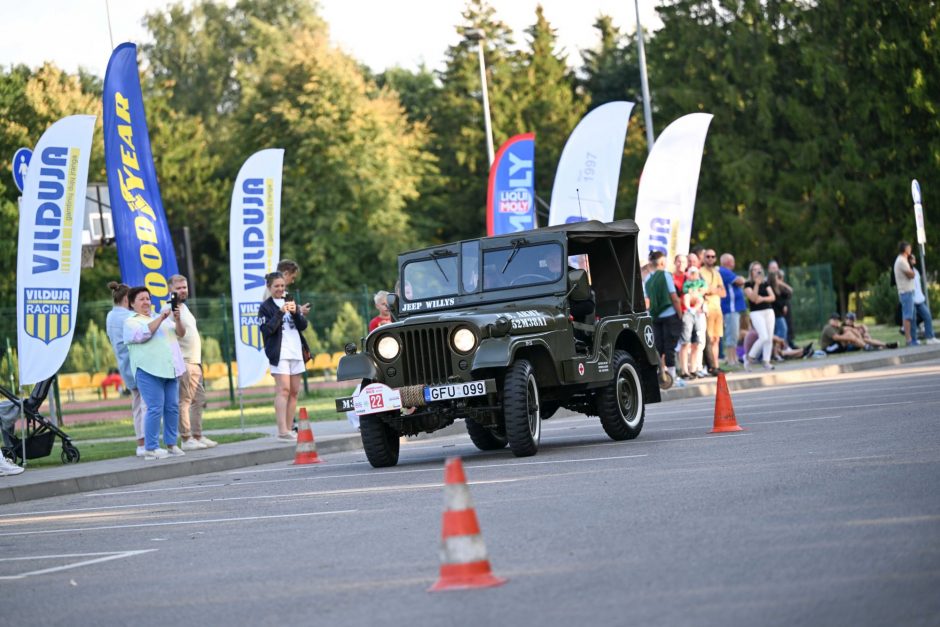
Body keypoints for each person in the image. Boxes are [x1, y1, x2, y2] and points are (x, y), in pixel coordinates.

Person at [124, 286, 187, 460]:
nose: (146, 302)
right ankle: (150, 448)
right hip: (148, 371)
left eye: (148, 298)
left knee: (172, 408)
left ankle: (171, 444)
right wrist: (161, 317)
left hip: (169, 369)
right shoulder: (131, 321)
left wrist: (178, 320)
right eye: (141, 299)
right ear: (132, 304)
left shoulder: (162, 319)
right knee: (154, 408)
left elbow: (181, 333)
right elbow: (144, 334)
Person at [259, 271, 312, 441]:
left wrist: (296, 312)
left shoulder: (290, 301)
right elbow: (267, 330)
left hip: (296, 351)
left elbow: (303, 326)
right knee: (283, 390)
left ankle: (289, 429)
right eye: (277, 286)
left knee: (295, 391)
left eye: (282, 286)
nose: (280, 289)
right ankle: (282, 430)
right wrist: (280, 312)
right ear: (269, 287)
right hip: (279, 353)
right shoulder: (265, 307)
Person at [169, 275, 217, 451]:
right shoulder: (169, 310)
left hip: (195, 361)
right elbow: (172, 336)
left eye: (184, 287)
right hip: (185, 361)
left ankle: (198, 435)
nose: (183, 290)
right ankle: (186, 437)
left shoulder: (184, 307)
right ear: (170, 290)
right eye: (178, 288)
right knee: (186, 401)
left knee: (199, 400)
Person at [105, 281, 146, 457]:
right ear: (126, 300)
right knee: (146, 405)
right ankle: (147, 442)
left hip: (124, 365)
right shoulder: (128, 318)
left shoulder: (110, 316)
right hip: (137, 364)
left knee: (137, 405)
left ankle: (141, 442)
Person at [644, 251, 686, 388]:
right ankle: (672, 377)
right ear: (662, 262)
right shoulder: (665, 275)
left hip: (655, 317)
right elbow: (674, 297)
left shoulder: (648, 279)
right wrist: (679, 314)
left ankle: (661, 376)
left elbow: (647, 301)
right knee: (670, 346)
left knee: (658, 347)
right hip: (669, 315)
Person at [744, 261, 776, 371]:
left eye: (759, 269)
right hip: (756, 312)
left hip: (768, 310)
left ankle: (766, 360)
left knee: (769, 338)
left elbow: (772, 297)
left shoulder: (765, 283)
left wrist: (762, 299)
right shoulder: (748, 284)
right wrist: (756, 284)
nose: (757, 271)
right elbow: (753, 298)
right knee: (763, 336)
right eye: (755, 269)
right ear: (751, 272)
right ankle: (749, 357)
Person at [700, 249, 726, 375]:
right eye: (708, 256)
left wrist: (712, 289)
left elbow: (723, 292)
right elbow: (703, 290)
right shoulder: (700, 272)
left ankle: (716, 365)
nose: (710, 258)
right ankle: (709, 366)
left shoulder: (717, 272)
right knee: (708, 339)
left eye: (713, 256)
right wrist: (714, 290)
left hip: (717, 309)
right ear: (704, 258)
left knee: (716, 339)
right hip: (707, 308)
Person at [679, 266, 707, 378]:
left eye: (695, 273)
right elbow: (686, 292)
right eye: (692, 273)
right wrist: (692, 294)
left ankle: (693, 369)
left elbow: (703, 290)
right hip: (687, 313)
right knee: (686, 342)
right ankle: (684, 371)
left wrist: (696, 293)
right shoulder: (687, 283)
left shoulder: (700, 282)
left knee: (696, 342)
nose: (694, 275)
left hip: (698, 313)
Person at [719, 253, 746, 366]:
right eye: (732, 260)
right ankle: (730, 359)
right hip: (730, 309)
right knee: (731, 335)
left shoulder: (727, 272)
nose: (733, 263)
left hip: (734, 309)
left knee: (734, 335)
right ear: (727, 262)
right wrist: (742, 279)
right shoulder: (724, 271)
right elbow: (740, 281)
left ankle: (734, 358)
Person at [910, 256, 939, 344]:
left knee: (927, 316)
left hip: (920, 298)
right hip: (912, 299)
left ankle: (930, 338)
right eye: (913, 259)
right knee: (913, 320)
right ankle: (914, 339)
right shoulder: (906, 270)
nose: (915, 261)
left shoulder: (916, 271)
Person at [894, 241, 919, 346]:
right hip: (906, 292)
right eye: (909, 248)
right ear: (905, 249)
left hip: (909, 291)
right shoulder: (901, 261)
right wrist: (912, 264)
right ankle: (909, 340)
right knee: (908, 316)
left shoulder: (904, 260)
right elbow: (911, 275)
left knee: (912, 316)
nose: (910, 250)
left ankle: (913, 339)